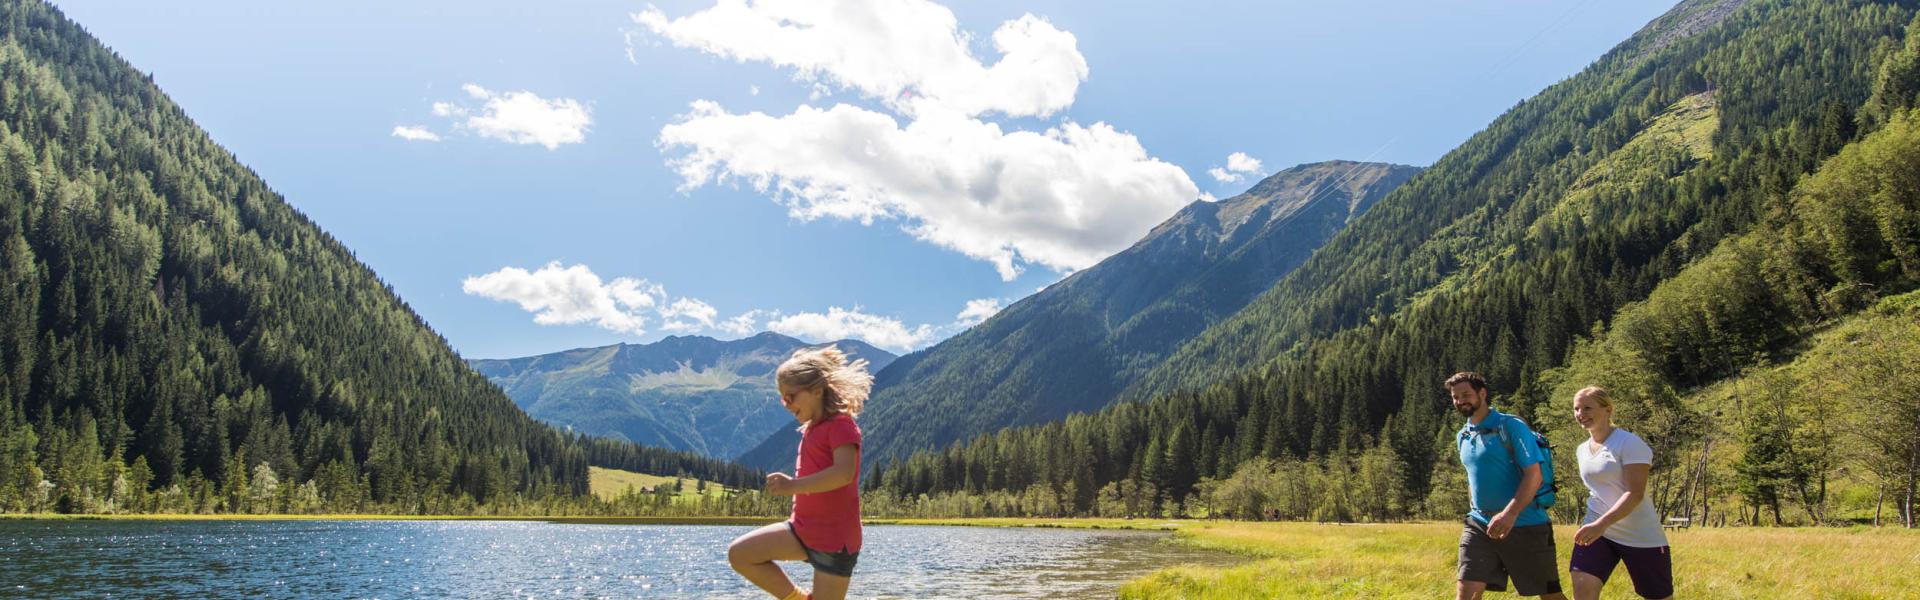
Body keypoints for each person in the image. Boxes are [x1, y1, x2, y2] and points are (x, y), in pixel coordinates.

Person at [726, 346, 872, 600]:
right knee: (740, 554)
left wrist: (792, 486)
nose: (786, 404)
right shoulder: (811, 429)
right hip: (802, 531)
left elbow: (843, 473)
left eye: (790, 396)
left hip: (836, 543)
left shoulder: (841, 425)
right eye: (783, 398)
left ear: (817, 390)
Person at [1449, 372, 1567, 600]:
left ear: (1482, 393)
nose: (1460, 400)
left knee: (1550, 595)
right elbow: (1473, 478)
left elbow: (1534, 476)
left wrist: (1509, 514)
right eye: (1455, 396)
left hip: (1525, 524)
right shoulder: (1462, 435)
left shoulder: (1511, 426)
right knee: (1466, 594)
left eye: (1466, 394)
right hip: (1479, 524)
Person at [1569, 386, 1673, 600]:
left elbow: (1635, 494)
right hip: (1598, 532)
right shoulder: (1582, 449)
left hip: (1640, 536)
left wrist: (1601, 524)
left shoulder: (1629, 443)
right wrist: (1597, 525)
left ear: (1608, 409)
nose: (1581, 414)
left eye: (1587, 408)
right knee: (1583, 590)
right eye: (1576, 408)